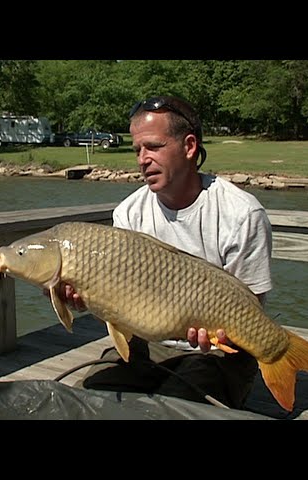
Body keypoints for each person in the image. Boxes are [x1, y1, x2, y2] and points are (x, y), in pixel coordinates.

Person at [57, 95, 273, 410]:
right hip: (146, 344)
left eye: (153, 147)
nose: (142, 159)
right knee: (85, 405)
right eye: (137, 150)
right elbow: (116, 303)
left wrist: (221, 337)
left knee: (176, 410)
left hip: (217, 353)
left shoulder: (241, 213)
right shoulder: (129, 213)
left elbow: (251, 310)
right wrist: (83, 301)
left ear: (189, 147)